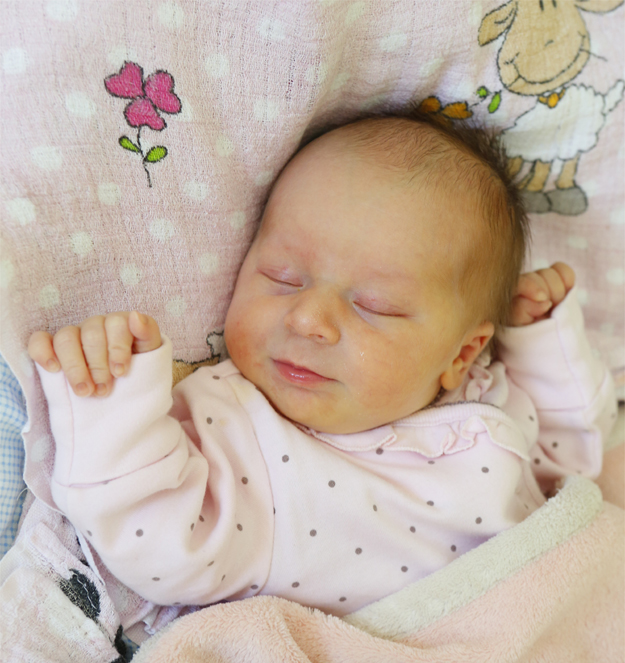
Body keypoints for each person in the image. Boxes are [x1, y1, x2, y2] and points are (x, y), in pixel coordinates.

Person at [28, 111, 616, 616]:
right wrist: (113, 398)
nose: (308, 318)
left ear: (461, 354)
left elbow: (573, 461)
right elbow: (157, 547)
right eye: (282, 277)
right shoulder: (240, 431)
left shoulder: (489, 395)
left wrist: (539, 339)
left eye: (373, 306)